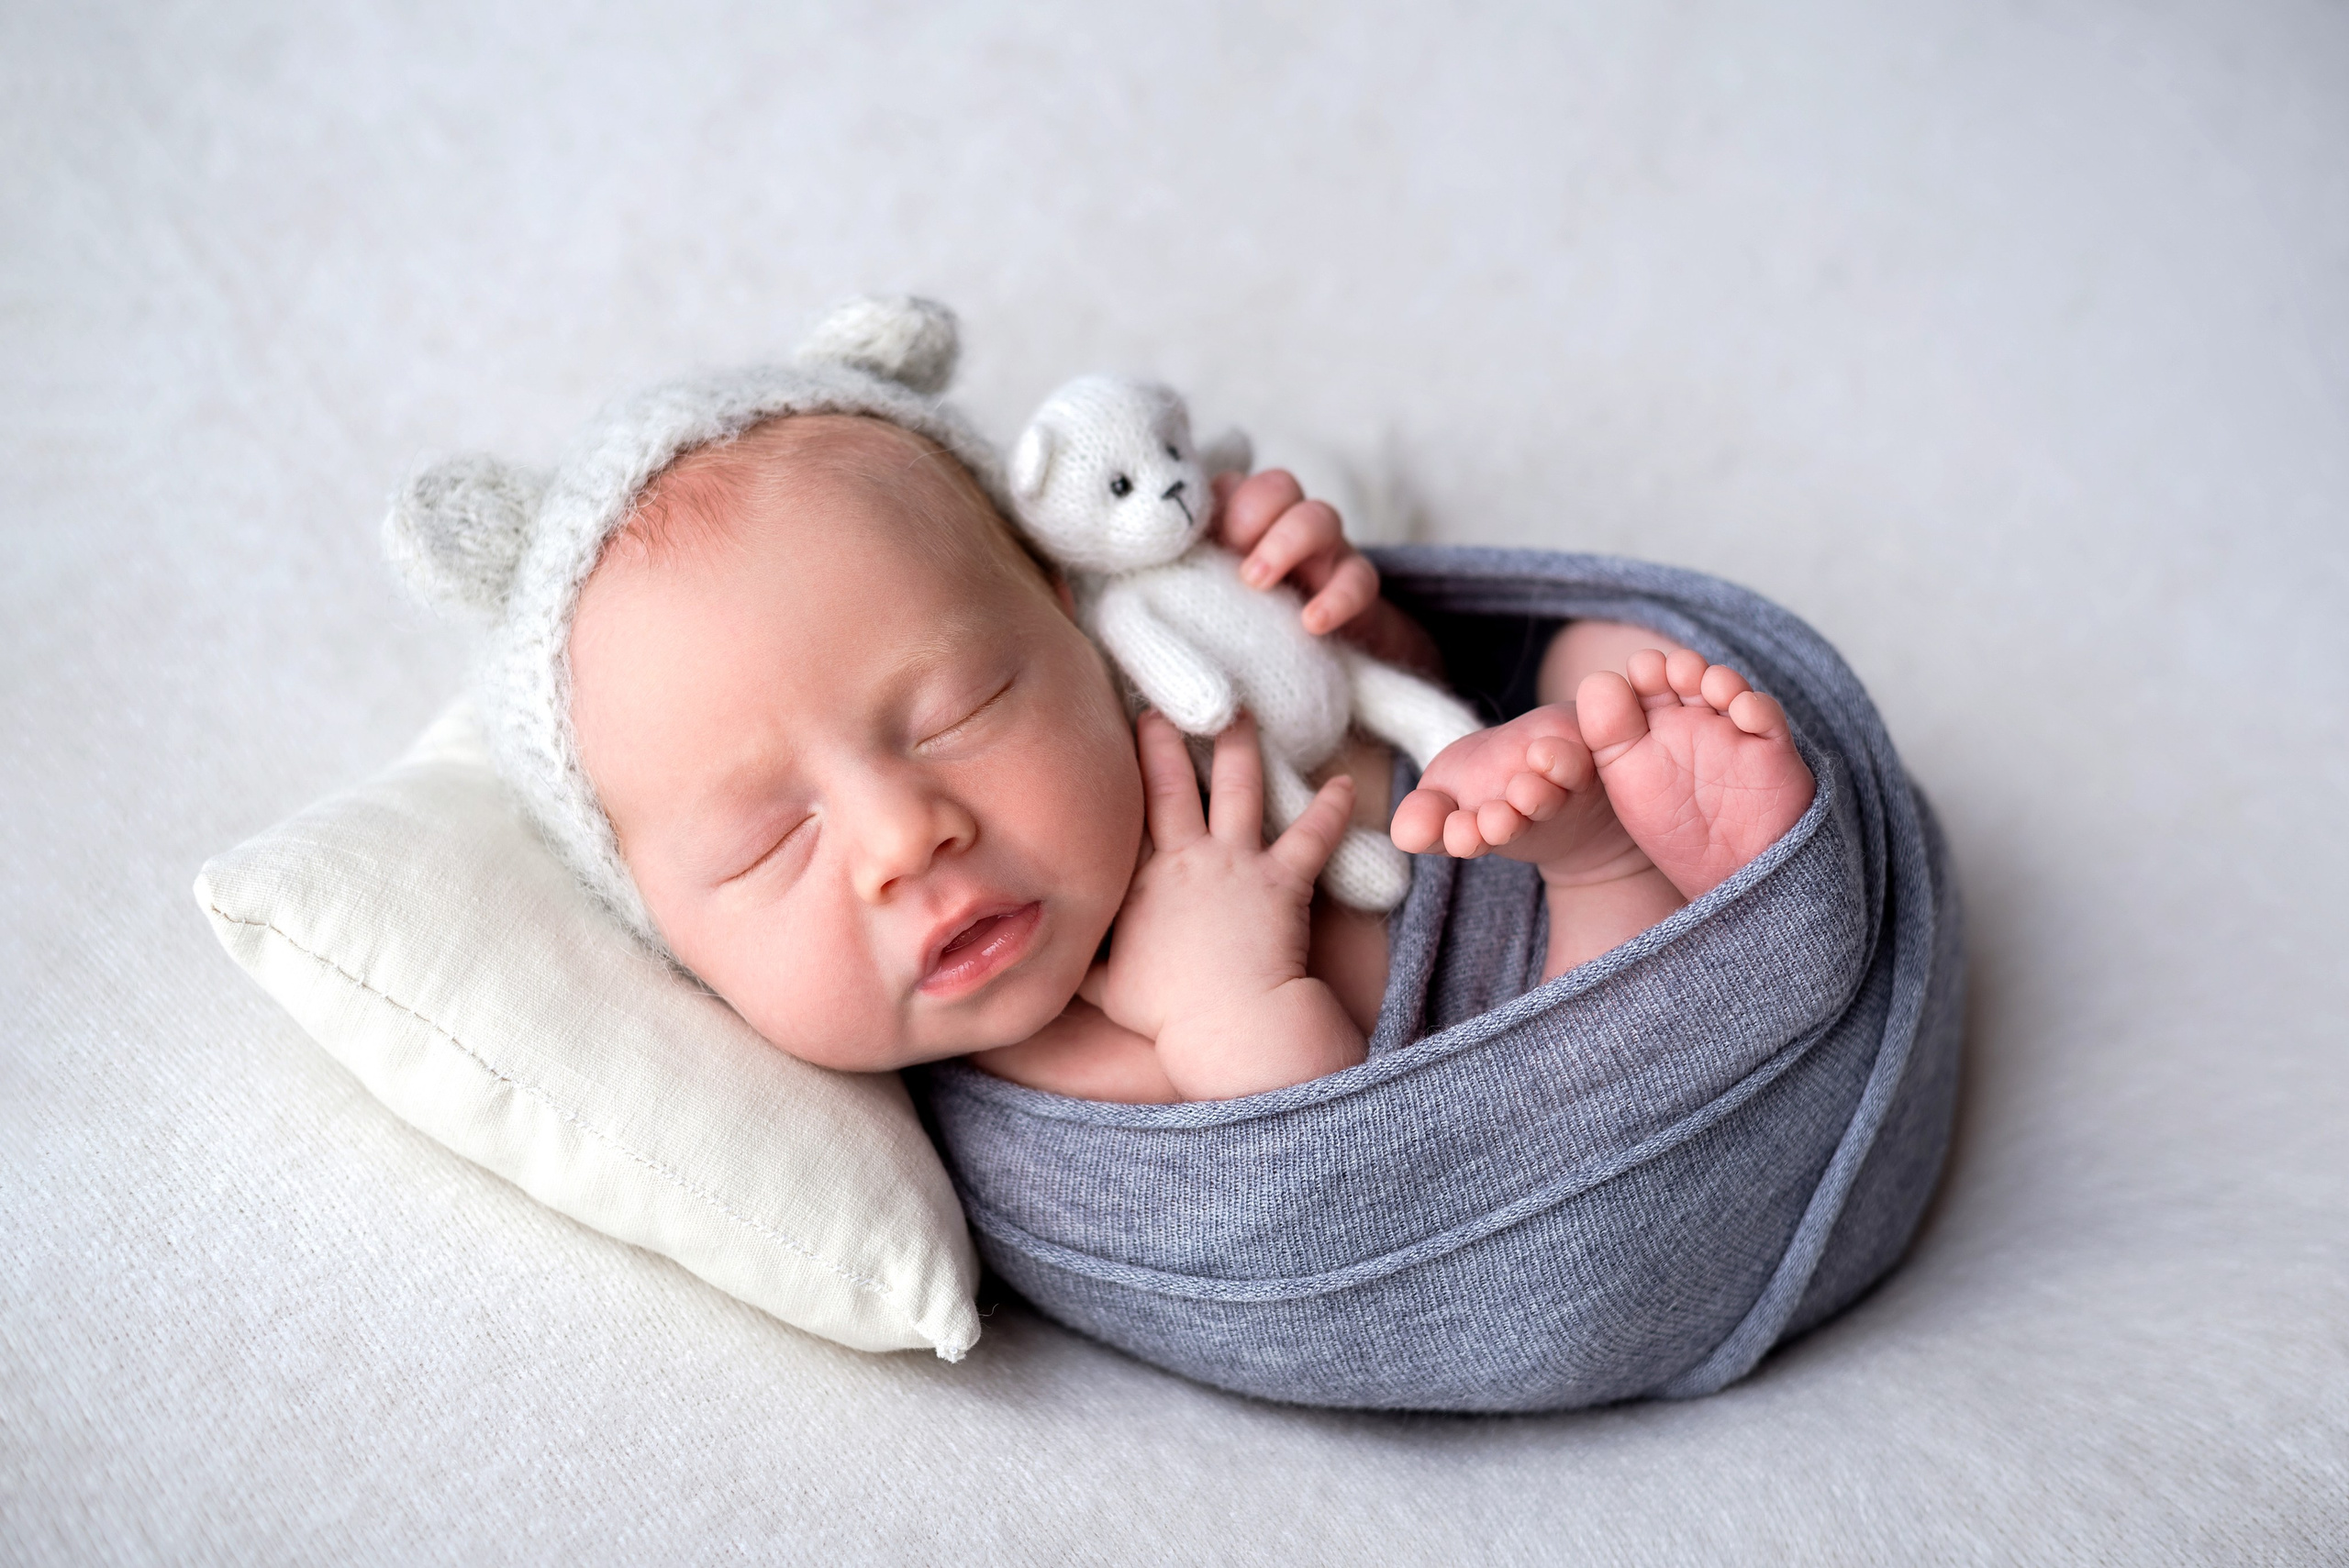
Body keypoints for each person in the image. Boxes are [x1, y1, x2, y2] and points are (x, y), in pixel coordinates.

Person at [562, 411, 1815, 1104]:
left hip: (1469, 786)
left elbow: (1394, 700)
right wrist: (1226, 1005)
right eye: (773, 840)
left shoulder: (1162, 710)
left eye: (957, 710)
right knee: (1585, 1051)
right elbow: (1325, 1177)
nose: (904, 836)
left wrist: (1331, 611)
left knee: (1586, 655)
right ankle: (1624, 865)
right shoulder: (1036, 1050)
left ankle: (1646, 747)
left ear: (1073, 618)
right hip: (1551, 1057)